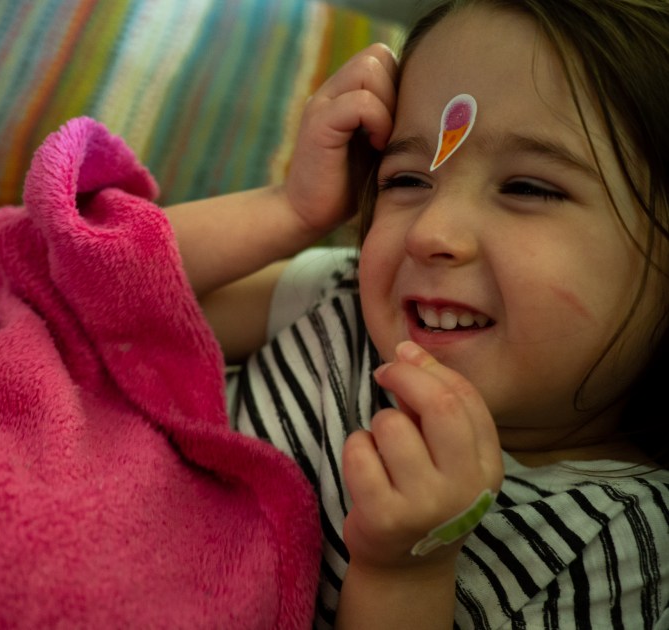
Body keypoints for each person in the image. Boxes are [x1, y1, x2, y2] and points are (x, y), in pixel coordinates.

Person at [166, 0, 669, 627]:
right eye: (407, 180)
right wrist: (288, 210)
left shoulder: (621, 539)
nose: (430, 231)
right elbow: (114, 298)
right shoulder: (347, 296)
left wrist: (407, 571)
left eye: (528, 189)